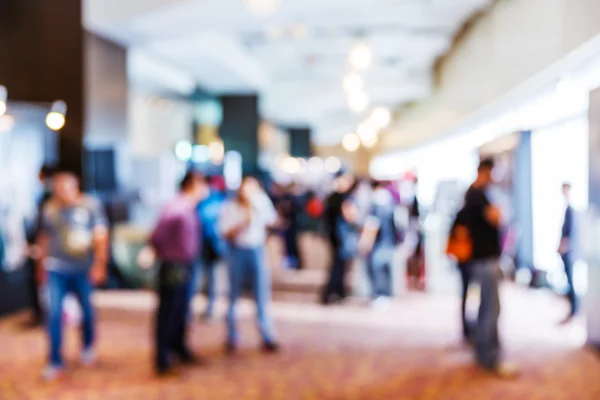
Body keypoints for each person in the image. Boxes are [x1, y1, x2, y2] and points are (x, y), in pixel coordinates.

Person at [37, 170, 109, 381]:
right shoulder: (50, 209)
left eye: (65, 188)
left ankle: (87, 347)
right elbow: (44, 237)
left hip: (83, 268)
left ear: (75, 187)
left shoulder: (90, 206)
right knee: (54, 314)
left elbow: (101, 236)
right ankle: (55, 361)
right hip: (56, 268)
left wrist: (100, 265)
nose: (61, 193)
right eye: (57, 189)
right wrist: (40, 267)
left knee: (87, 311)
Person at [140, 171, 209, 376]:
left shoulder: (187, 207)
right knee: (168, 312)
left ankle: (178, 348)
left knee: (180, 311)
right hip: (173, 265)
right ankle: (162, 358)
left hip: (185, 265)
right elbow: (157, 235)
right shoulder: (177, 208)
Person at [463, 158, 518, 378]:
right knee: (491, 309)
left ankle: (483, 352)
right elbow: (497, 218)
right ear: (486, 171)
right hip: (485, 259)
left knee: (486, 306)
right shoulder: (478, 195)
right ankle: (490, 356)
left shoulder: (475, 194)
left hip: (481, 258)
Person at [220, 176, 280, 354]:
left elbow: (272, 221)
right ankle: (231, 335)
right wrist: (243, 223)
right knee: (233, 295)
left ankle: (266, 334)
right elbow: (225, 232)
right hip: (237, 251)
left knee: (261, 295)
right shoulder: (230, 207)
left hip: (256, 249)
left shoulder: (261, 202)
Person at [23, 164, 55, 328]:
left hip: (44, 247)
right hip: (40, 246)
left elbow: (44, 227)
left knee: (43, 281)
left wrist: (37, 246)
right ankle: (43, 314)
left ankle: (45, 315)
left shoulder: (49, 199)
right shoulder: (44, 197)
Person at [321, 170, 360, 305]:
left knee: (338, 265)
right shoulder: (344, 197)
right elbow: (350, 215)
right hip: (341, 236)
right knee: (339, 265)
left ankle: (336, 291)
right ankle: (334, 292)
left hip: (333, 235)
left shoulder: (331, 196)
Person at [359, 180, 398, 309]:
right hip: (388, 243)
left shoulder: (376, 204)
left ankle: (380, 295)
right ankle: (386, 294)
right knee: (385, 270)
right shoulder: (390, 202)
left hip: (379, 244)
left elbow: (372, 225)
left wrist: (365, 242)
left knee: (377, 270)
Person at [195, 175, 227, 320]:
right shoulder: (208, 201)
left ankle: (209, 309)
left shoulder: (214, 201)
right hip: (204, 244)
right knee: (202, 277)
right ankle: (205, 308)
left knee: (210, 278)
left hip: (212, 245)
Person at [558, 182, 578, 324]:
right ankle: (572, 309)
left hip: (568, 252)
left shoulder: (571, 210)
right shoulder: (567, 209)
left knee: (571, 281)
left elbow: (569, 233)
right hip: (566, 250)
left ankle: (574, 310)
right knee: (568, 280)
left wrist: (564, 246)